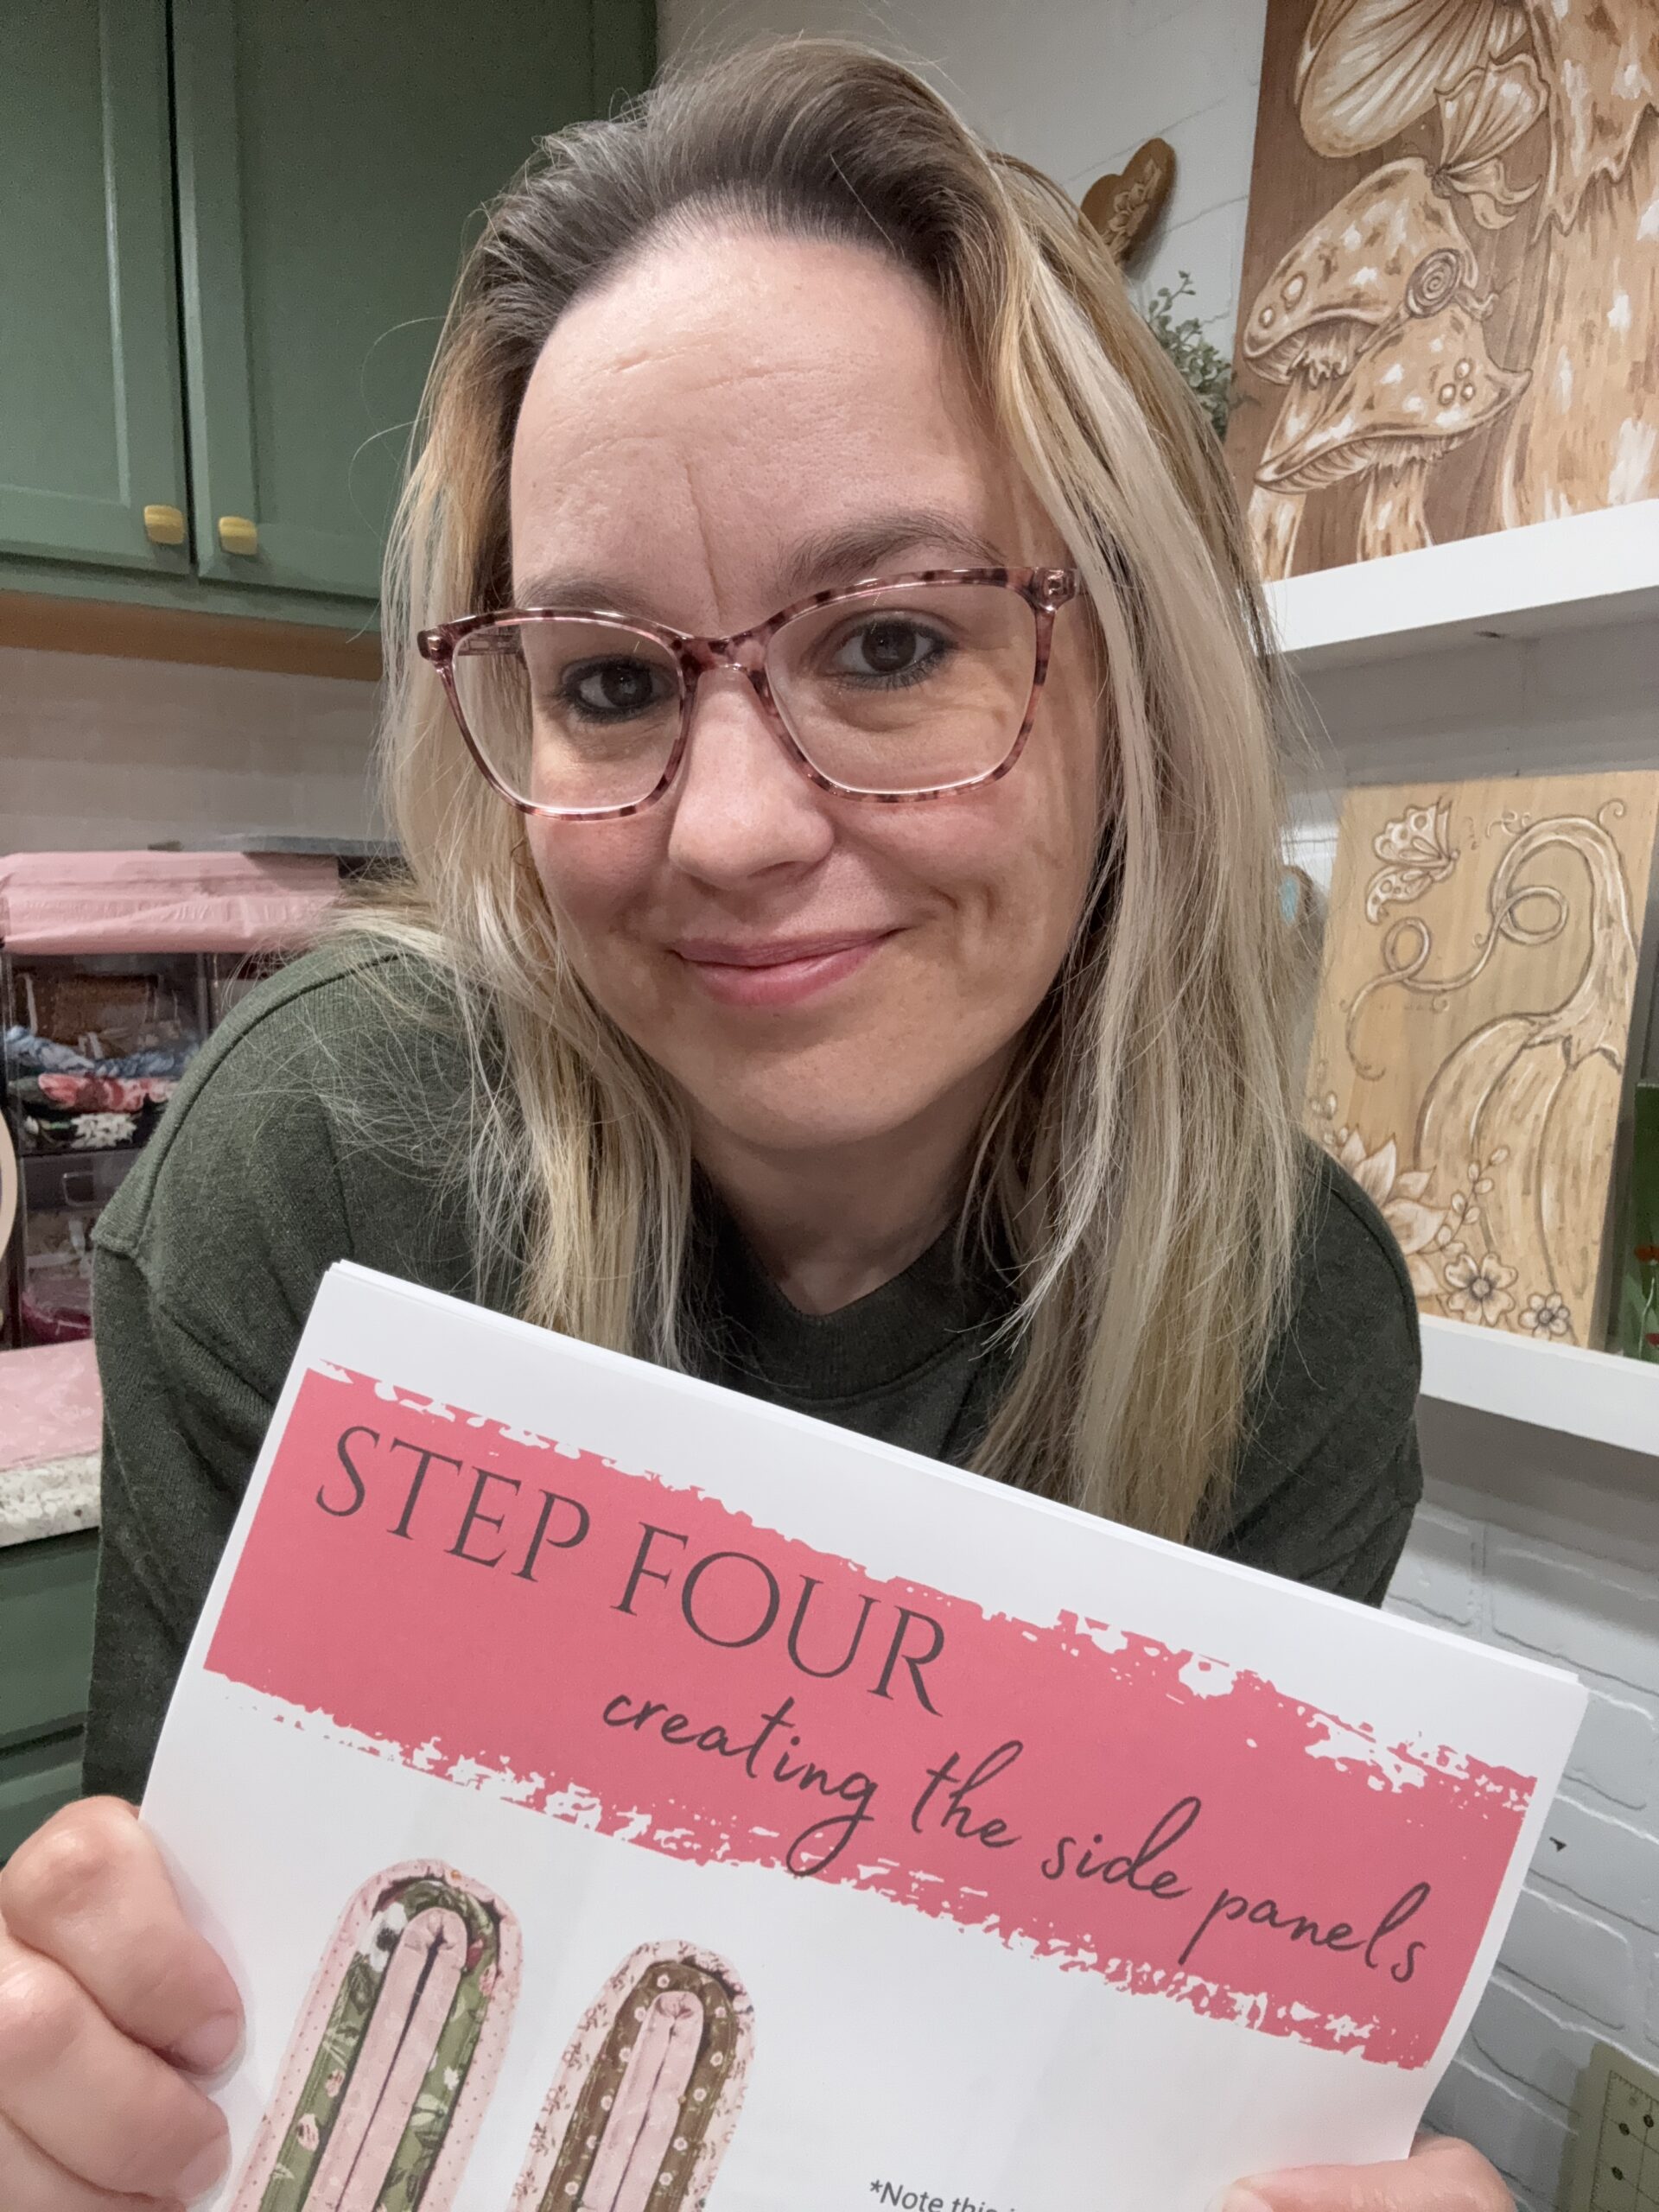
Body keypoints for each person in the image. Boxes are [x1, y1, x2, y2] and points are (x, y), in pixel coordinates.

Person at [0, 38, 1505, 2212]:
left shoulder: (1284, 1317)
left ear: (1134, 690)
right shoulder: (323, 1163)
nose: (722, 829)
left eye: (887, 641)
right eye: (611, 680)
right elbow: (218, 2067)